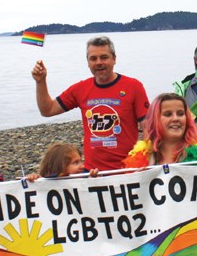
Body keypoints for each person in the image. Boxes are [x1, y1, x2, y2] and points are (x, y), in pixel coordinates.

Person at [32, 36, 150, 171]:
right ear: (88, 62)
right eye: (93, 59)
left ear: (114, 59)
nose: (98, 62)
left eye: (104, 57)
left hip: (127, 170)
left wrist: (144, 161)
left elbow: (148, 128)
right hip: (92, 172)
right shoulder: (80, 89)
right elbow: (48, 110)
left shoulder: (133, 86)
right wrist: (40, 81)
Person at [123, 93, 197, 167]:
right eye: (168, 114)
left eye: (180, 114)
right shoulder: (141, 157)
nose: (175, 118)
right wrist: (139, 177)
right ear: (155, 120)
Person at [25, 143, 100, 181]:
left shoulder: (83, 176)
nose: (82, 166)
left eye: (81, 161)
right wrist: (34, 180)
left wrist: (94, 180)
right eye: (76, 163)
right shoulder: (46, 181)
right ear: (60, 166)